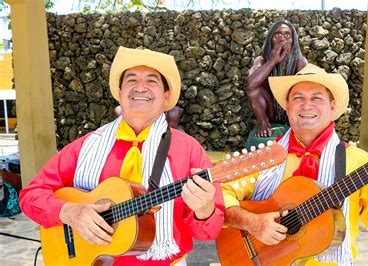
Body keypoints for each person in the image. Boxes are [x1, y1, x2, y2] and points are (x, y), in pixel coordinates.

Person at [19, 46, 224, 265]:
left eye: (152, 81)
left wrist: (204, 209)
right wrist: (69, 212)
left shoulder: (189, 151)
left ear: (166, 96)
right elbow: (31, 195)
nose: (140, 88)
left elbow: (207, 233)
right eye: (131, 80)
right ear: (119, 93)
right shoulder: (86, 146)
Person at [221, 63, 368, 265]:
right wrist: (252, 223)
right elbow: (221, 194)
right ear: (287, 105)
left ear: (332, 106)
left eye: (317, 98)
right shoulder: (265, 157)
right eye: (298, 98)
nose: (307, 106)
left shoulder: (357, 160)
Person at [247, 19, 308, 138]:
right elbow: (251, 85)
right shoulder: (262, 61)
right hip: (270, 110)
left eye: (287, 35)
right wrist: (272, 61)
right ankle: (264, 123)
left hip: (290, 108)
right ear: (271, 40)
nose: (282, 39)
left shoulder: (300, 61)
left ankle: (296, 127)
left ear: (293, 41)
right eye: (277, 34)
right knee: (254, 91)